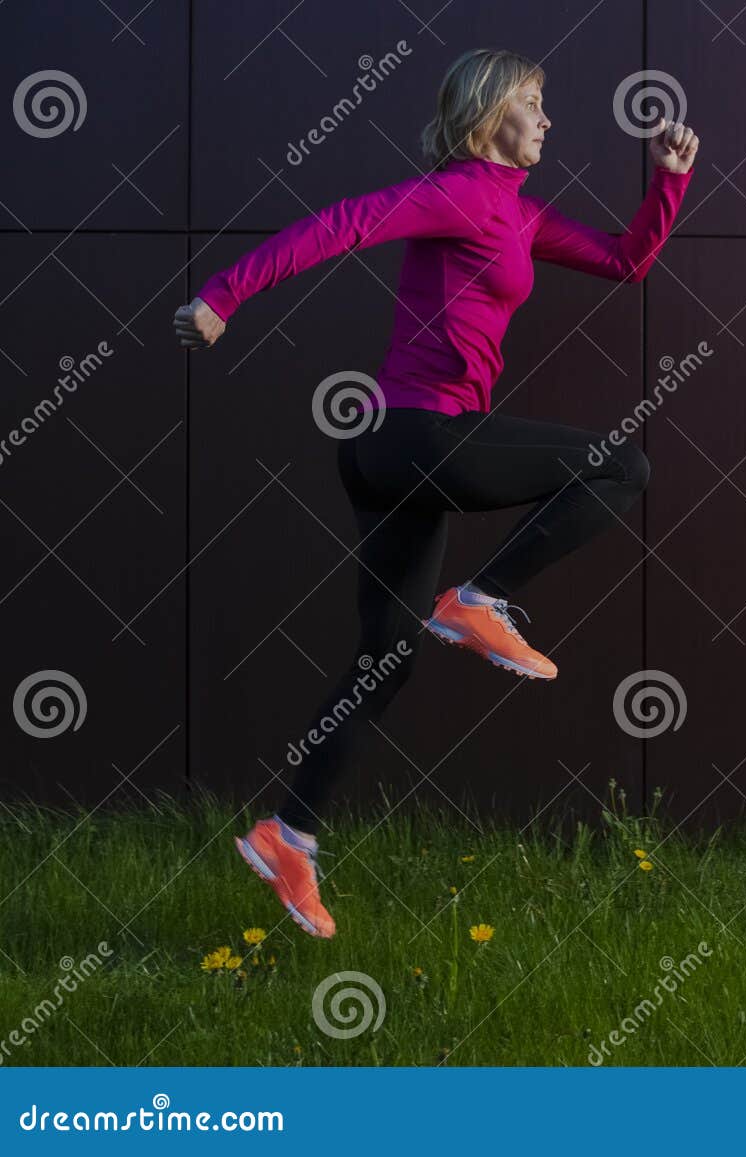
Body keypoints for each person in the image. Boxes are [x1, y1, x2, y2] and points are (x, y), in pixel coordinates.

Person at [172, 48, 698, 939]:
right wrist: (223, 295)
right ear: (489, 112)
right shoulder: (455, 190)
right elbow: (339, 225)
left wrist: (666, 185)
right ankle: (480, 600)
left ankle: (286, 834)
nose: (548, 120)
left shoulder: (519, 215)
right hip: (417, 434)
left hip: (392, 454)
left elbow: (624, 262)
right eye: (534, 103)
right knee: (622, 466)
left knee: (386, 659)